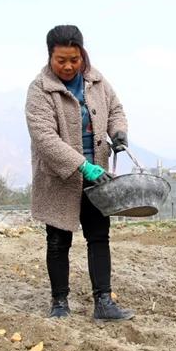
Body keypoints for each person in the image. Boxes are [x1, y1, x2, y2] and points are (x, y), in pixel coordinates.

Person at [25, 25, 133, 321]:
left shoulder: (96, 80)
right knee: (59, 240)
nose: (69, 66)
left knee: (99, 236)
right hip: (60, 179)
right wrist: (81, 165)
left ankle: (104, 302)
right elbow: (45, 138)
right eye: (62, 60)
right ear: (50, 57)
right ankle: (60, 302)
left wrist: (119, 132)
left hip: (97, 178)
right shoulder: (40, 90)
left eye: (75, 59)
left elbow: (115, 109)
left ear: (82, 54)